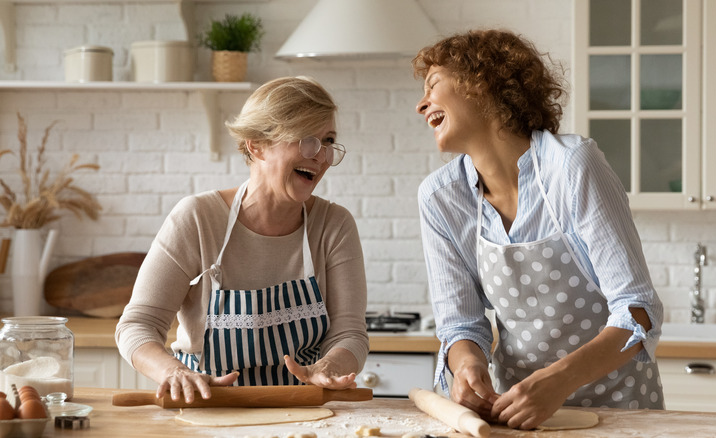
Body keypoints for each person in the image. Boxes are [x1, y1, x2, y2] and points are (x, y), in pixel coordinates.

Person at [413, 30, 665, 430]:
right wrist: (468, 366)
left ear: (484, 85)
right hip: (518, 418)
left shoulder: (572, 167)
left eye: (433, 85)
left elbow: (638, 311)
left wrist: (561, 380)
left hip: (620, 414)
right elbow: (461, 325)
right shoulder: (441, 198)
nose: (421, 104)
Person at [115, 76, 369, 404]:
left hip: (302, 411)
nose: (320, 156)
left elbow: (350, 333)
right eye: (307, 140)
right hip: (208, 409)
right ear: (256, 144)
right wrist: (175, 373)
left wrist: (329, 367)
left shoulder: (334, 225)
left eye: (328, 141)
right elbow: (137, 325)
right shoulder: (197, 219)